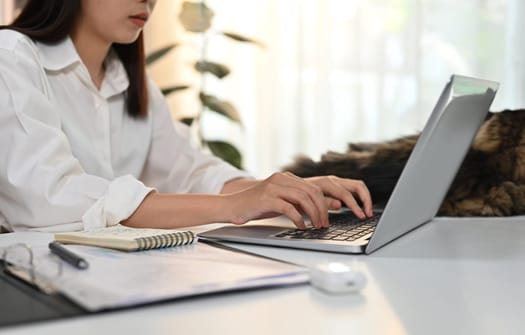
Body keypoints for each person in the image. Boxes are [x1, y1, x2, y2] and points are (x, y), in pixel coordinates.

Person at [0, 0, 373, 233]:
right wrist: (233, 207)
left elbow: (190, 170)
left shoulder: (129, 78)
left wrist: (281, 193)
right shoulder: (11, 55)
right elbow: (51, 198)